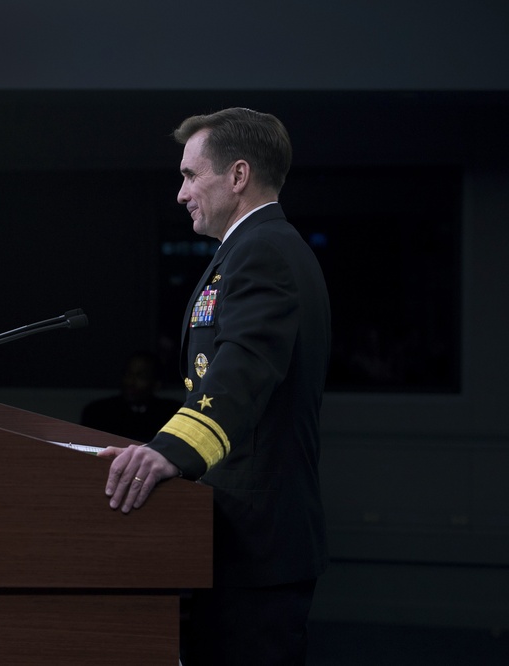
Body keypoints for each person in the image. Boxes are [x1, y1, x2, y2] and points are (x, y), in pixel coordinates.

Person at [100, 108, 331, 665]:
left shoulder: (264, 251)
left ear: (238, 176)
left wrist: (167, 453)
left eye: (189, 175)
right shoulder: (254, 249)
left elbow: (241, 373)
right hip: (242, 537)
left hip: (258, 542)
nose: (180, 193)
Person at [80, 351, 180, 442]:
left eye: (141, 376)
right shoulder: (98, 412)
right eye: (128, 374)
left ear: (156, 383)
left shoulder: (171, 413)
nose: (131, 382)